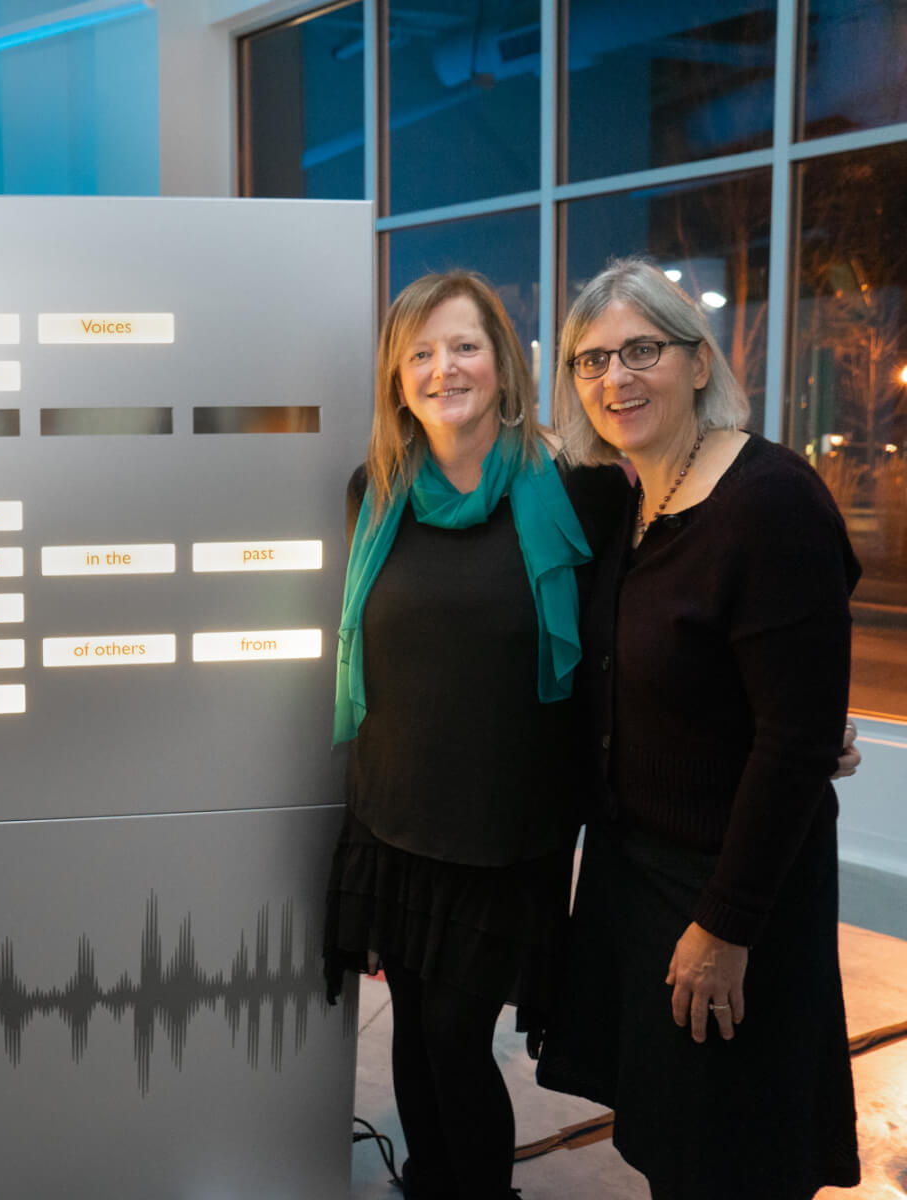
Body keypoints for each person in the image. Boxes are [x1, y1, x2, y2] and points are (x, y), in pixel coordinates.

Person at [536, 259, 861, 1198]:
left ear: (699, 361)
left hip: (732, 887)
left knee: (735, 1151)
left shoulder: (770, 501)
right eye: (592, 361)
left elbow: (795, 741)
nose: (615, 378)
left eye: (642, 350)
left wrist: (725, 924)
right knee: (670, 1141)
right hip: (637, 876)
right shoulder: (629, 497)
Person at [323, 271, 620, 1200]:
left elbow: (631, 644)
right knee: (414, 1028)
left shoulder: (578, 492)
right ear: (396, 377)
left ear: (502, 361)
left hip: (505, 831)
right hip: (395, 817)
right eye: (419, 353)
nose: (442, 368)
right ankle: (430, 1181)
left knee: (456, 1035)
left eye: (463, 345)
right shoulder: (373, 490)